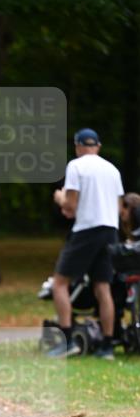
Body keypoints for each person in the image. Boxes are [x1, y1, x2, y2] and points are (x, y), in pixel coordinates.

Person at [51, 128, 124, 361]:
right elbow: (120, 208)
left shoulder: (76, 166)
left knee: (59, 283)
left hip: (86, 230)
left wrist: (60, 198)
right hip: (110, 230)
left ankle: (67, 339)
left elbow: (71, 207)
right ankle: (107, 345)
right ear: (98, 146)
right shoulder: (112, 169)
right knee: (103, 288)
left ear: (78, 146)